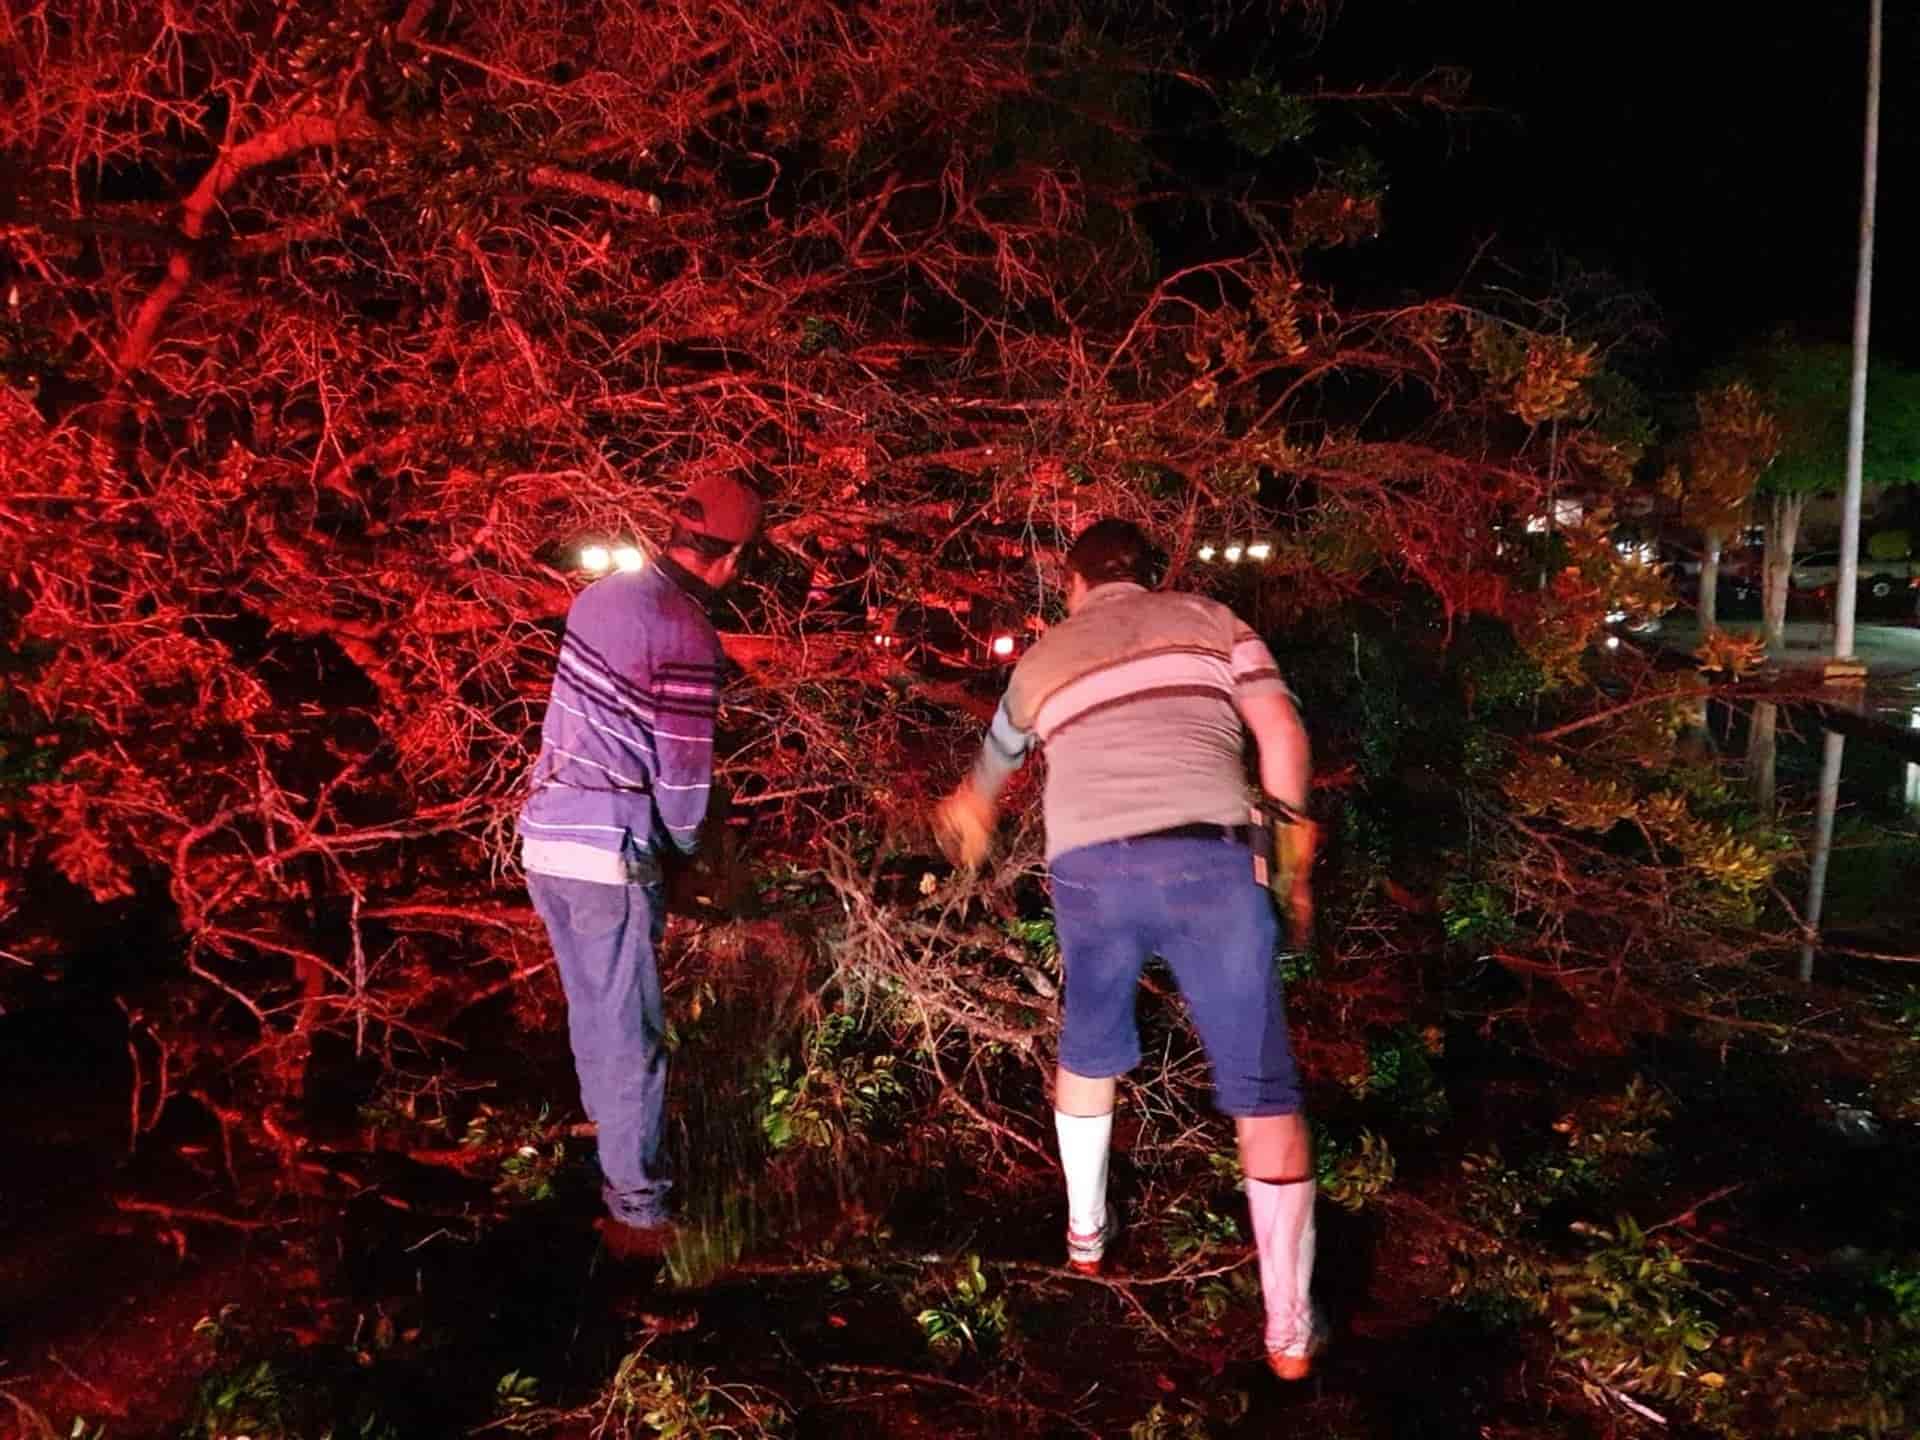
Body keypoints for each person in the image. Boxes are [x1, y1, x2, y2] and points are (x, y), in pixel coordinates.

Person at [934, 518, 1322, 1379]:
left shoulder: (1045, 659)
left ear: (1073, 586)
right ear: (1150, 577)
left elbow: (989, 773)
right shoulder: (1214, 619)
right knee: (1264, 1091)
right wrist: (1291, 863)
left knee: (1090, 1041)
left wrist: (971, 815)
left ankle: (1084, 1233)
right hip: (1213, 862)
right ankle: (1289, 1333)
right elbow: (1283, 739)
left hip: (1092, 872)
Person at [518, 473, 762, 1255]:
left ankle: (613, 1170)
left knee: (596, 1017)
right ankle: (640, 1216)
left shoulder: (601, 597)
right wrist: (691, 857)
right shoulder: (686, 631)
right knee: (631, 1037)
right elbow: (685, 782)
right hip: (607, 853)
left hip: (546, 842)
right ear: (733, 559)